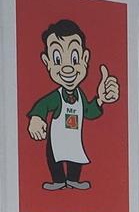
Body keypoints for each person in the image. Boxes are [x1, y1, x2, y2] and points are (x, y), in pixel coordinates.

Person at [25, 18, 119, 191]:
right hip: (57, 138)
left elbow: (89, 112)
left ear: (85, 59)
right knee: (54, 157)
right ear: (47, 62)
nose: (67, 68)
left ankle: (74, 180)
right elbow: (43, 105)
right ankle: (58, 180)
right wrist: (36, 119)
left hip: (74, 137)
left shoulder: (80, 95)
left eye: (74, 58)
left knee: (75, 156)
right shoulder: (57, 96)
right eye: (58, 59)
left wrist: (100, 99)